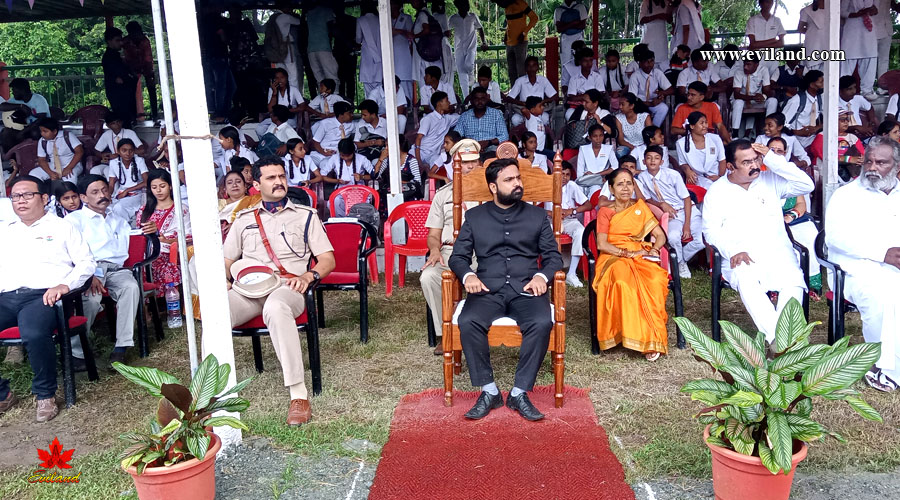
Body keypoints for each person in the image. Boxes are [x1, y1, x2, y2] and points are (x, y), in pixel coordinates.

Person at [224, 157, 336, 425]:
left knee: (275, 307)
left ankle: (298, 394)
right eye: (271, 178)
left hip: (288, 287)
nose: (279, 182)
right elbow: (226, 261)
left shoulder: (305, 216)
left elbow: (328, 259)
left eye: (282, 177)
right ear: (256, 184)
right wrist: (224, 280)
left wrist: (309, 275)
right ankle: (212, 393)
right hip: (248, 289)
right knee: (217, 310)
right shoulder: (243, 219)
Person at [449, 157, 563, 421]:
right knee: (468, 320)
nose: (517, 184)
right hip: (488, 288)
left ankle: (519, 392)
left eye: (518, 178)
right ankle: (489, 391)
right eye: (509, 180)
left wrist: (541, 276)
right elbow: (458, 257)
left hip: (527, 288)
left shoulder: (537, 216)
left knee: (541, 321)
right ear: (492, 187)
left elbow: (553, 257)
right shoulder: (475, 217)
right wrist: (467, 276)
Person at [0, 176, 96, 422]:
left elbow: (86, 262)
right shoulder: (6, 230)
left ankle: (45, 394)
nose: (20, 201)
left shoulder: (62, 227)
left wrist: (65, 285)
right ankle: (3, 394)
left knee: (33, 332)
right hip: (7, 295)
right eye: (15, 196)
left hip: (44, 295)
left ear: (44, 198)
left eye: (27, 195)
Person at [702, 140, 814, 343]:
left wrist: (772, 159)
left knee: (793, 282)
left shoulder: (770, 179)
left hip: (777, 251)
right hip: (740, 254)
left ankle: (779, 343)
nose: (754, 166)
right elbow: (710, 232)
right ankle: (780, 343)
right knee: (748, 281)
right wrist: (732, 250)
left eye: (757, 159)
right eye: (746, 162)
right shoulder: (717, 192)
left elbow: (807, 184)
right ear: (730, 166)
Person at [825, 136, 900, 391]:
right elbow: (835, 238)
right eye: (868, 161)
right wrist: (882, 253)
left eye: (881, 162)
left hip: (894, 267)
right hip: (853, 270)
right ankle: (883, 367)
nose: (872, 167)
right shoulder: (845, 195)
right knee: (882, 296)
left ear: (897, 167)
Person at [67, 175, 149, 367]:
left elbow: (134, 236)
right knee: (92, 300)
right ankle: (76, 352)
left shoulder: (117, 218)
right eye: (95, 192)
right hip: (91, 268)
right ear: (83, 198)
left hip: (117, 269)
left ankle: (121, 347)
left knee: (131, 287)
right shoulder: (74, 220)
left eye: (104, 190)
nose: (102, 195)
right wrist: (89, 273)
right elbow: (70, 252)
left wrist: (150, 231)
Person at [591, 167, 669, 360]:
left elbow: (660, 236)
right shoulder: (605, 211)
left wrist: (654, 249)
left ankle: (651, 339)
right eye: (620, 184)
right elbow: (602, 244)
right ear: (611, 189)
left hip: (641, 255)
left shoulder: (640, 208)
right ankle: (629, 335)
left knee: (655, 281)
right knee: (624, 284)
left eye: (629, 183)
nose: (625, 188)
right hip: (613, 257)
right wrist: (628, 253)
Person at [421, 139, 480, 356]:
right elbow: (433, 234)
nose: (470, 166)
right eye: (465, 162)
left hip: (482, 253)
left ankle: (484, 330)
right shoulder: (443, 195)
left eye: (474, 161)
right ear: (455, 163)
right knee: (429, 277)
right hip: (449, 251)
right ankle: (446, 333)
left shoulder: (491, 191)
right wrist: (434, 251)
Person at [637, 145, 703, 279]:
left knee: (701, 240)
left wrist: (687, 225)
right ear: (643, 161)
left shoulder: (673, 175)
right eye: (648, 158)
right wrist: (661, 204)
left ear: (662, 162)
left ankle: (681, 257)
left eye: (656, 158)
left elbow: (686, 198)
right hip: (671, 215)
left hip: (687, 210)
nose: (652, 161)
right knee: (673, 237)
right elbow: (647, 198)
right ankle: (680, 263)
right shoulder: (642, 177)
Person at [766, 137, 821, 295]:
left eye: (779, 151)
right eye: (772, 151)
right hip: (770, 223)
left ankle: (811, 283)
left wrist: (790, 216)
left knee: (810, 237)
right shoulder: (759, 176)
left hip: (794, 220)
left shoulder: (793, 176)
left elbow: (801, 204)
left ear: (785, 154)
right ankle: (774, 287)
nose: (775, 154)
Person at [136, 169, 191, 293]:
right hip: (147, 252)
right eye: (154, 187)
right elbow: (139, 235)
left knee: (159, 263)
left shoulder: (182, 209)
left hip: (170, 252)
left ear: (170, 186)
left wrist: (166, 240)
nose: (158, 191)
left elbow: (189, 236)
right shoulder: (144, 210)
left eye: (162, 186)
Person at [548, 161, 591, 287]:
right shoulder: (546, 184)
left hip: (568, 220)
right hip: (550, 220)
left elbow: (588, 205)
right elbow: (531, 206)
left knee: (580, 231)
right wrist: (551, 212)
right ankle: (550, 273)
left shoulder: (572, 185)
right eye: (561, 174)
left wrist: (571, 211)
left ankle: (571, 273)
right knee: (546, 235)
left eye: (567, 174)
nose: (564, 177)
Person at [320, 138, 374, 215]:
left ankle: (357, 224)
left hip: (359, 192)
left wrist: (362, 177)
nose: (345, 158)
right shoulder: (334, 158)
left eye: (348, 156)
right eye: (342, 155)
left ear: (353, 152)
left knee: (363, 206)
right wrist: (337, 181)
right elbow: (322, 175)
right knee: (333, 202)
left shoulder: (362, 159)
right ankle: (343, 222)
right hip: (341, 192)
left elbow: (374, 175)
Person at [416, 91, 461, 176]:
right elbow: (418, 139)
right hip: (421, 152)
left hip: (434, 154)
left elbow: (463, 116)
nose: (449, 103)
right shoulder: (428, 119)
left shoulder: (447, 119)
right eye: (447, 100)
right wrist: (418, 161)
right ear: (439, 103)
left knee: (439, 168)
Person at [676, 111, 725, 189]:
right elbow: (683, 163)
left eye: (706, 122)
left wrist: (720, 177)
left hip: (716, 176)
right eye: (701, 123)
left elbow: (722, 160)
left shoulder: (715, 139)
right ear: (692, 126)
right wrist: (687, 171)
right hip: (697, 179)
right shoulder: (681, 143)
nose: (705, 126)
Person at [841, 0, 880, 100]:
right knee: (847, 60)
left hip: (868, 31)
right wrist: (857, 14)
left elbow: (876, 10)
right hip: (852, 30)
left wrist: (871, 10)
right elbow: (841, 11)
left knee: (869, 58)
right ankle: (843, 89)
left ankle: (867, 91)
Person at [730, 58, 778, 138]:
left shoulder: (763, 70)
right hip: (742, 100)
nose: (745, 67)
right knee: (738, 102)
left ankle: (769, 129)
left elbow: (767, 90)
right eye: (744, 64)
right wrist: (752, 97)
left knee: (773, 101)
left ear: (756, 65)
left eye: (748, 64)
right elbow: (736, 94)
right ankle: (735, 134)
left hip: (756, 101)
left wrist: (763, 97)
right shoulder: (739, 72)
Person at [506, 56, 557, 127]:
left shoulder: (543, 80)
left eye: (534, 65)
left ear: (537, 68)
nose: (531, 68)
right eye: (529, 66)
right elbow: (509, 98)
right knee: (515, 119)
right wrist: (522, 103)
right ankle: (522, 137)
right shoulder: (520, 81)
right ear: (525, 68)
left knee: (545, 119)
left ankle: (542, 137)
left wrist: (543, 102)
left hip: (539, 110)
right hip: (523, 110)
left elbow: (554, 96)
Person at [454, 86, 509, 153]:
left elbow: (505, 136)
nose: (480, 102)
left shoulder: (496, 114)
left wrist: (488, 142)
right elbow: (456, 135)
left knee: (494, 154)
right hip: (469, 148)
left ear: (487, 99)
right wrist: (470, 142)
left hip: (491, 148)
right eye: (476, 99)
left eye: (482, 99)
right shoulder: (464, 116)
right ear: (472, 101)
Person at [449, 0, 487, 95]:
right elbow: (446, 30)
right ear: (458, 6)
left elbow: (480, 28)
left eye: (467, 5)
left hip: (471, 47)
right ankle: (467, 100)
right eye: (463, 4)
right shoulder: (453, 18)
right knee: (462, 75)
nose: (466, 7)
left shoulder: (472, 16)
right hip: (458, 48)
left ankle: (471, 75)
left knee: (469, 65)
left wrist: (484, 42)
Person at [0, 78, 49, 152]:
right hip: (21, 127)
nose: (13, 93)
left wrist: (24, 131)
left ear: (22, 90)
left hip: (38, 127)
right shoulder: (15, 100)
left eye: (14, 90)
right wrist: (21, 106)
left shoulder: (38, 99)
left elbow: (41, 119)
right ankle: (12, 158)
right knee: (6, 133)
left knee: (35, 133)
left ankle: (39, 155)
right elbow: (2, 106)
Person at [102, 27, 138, 127]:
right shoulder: (109, 57)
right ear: (109, 41)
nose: (120, 43)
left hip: (124, 94)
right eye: (117, 40)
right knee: (124, 121)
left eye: (120, 40)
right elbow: (119, 78)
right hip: (118, 95)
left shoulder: (116, 56)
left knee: (126, 121)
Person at [107, 138, 149, 223]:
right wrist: (108, 195)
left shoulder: (139, 161)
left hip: (138, 193)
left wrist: (127, 190)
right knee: (108, 207)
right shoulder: (113, 163)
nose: (128, 154)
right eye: (124, 150)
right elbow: (111, 184)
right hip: (121, 193)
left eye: (131, 151)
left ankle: (125, 227)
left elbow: (146, 182)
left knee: (118, 207)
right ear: (118, 151)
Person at [627, 51, 673, 127]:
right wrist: (649, 104)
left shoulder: (657, 73)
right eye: (646, 62)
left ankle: (653, 130)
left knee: (663, 108)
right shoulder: (635, 76)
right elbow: (632, 98)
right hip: (639, 103)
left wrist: (662, 93)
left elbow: (671, 89)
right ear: (640, 63)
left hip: (653, 102)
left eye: (651, 61)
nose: (649, 64)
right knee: (635, 108)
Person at [256, 68, 306, 138]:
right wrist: (274, 93)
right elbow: (270, 110)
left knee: (275, 130)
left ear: (286, 78)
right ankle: (267, 146)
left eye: (282, 77)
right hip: (275, 119)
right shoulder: (272, 90)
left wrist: (287, 111)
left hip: (289, 119)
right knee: (259, 129)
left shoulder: (293, 90)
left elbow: (303, 106)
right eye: (277, 78)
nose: (279, 80)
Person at [122, 21, 157, 120]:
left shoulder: (144, 41)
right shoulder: (127, 41)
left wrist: (149, 70)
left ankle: (154, 115)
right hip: (132, 69)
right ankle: (133, 116)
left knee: (152, 92)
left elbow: (148, 57)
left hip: (147, 68)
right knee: (131, 93)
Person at [781, 70, 823, 150]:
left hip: (812, 138)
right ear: (812, 85)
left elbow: (830, 120)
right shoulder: (797, 100)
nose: (823, 85)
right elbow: (781, 123)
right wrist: (798, 132)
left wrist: (816, 128)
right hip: (795, 139)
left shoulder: (821, 99)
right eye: (821, 82)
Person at [374, 135, 423, 202]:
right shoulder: (386, 160)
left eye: (388, 146)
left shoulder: (411, 160)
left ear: (397, 146)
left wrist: (397, 183)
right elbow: (377, 177)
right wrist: (381, 159)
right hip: (390, 196)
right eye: (385, 146)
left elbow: (417, 182)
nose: (386, 148)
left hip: (408, 197)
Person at [501, 0, 539, 84]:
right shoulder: (506, 8)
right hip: (509, 43)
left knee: (521, 71)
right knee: (511, 72)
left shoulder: (521, 4)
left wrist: (524, 32)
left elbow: (534, 18)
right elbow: (510, 24)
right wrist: (505, 35)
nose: (500, 4)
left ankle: (523, 94)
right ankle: (514, 94)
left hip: (520, 43)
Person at [35, 117, 83, 183]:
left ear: (54, 131)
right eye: (41, 131)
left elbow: (79, 152)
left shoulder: (68, 136)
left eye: (45, 131)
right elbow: (41, 160)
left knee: (70, 178)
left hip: (71, 165)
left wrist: (69, 168)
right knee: (34, 174)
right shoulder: (42, 141)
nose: (42, 134)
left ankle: (70, 193)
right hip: (52, 166)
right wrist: (50, 173)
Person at [305, 0, 340, 90]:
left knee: (319, 78)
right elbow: (332, 29)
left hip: (311, 50)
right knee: (332, 76)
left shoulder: (308, 13)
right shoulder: (327, 11)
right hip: (324, 48)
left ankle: (323, 99)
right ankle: (334, 100)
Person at [745, 0, 785, 77]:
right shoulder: (752, 20)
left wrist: (759, 44)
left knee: (772, 83)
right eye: (766, 2)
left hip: (773, 58)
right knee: (757, 84)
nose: (769, 5)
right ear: (761, 3)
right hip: (758, 58)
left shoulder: (777, 20)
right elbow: (753, 44)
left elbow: (781, 43)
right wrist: (773, 41)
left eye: (771, 2)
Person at [269, 1, 303, 90]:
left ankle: (281, 98)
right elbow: (299, 22)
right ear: (285, 7)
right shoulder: (285, 17)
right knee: (293, 76)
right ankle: (293, 100)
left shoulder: (271, 18)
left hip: (275, 50)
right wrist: (293, 14)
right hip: (286, 47)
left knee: (280, 76)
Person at [309, 101, 355, 166]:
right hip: (320, 153)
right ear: (341, 115)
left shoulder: (352, 125)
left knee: (326, 164)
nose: (352, 115)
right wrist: (324, 153)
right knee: (307, 163)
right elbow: (316, 142)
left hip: (337, 155)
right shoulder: (325, 124)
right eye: (349, 113)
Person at [578, 124, 619, 195]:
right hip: (586, 181)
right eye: (595, 136)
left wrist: (596, 175)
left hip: (603, 180)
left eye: (601, 135)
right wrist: (591, 178)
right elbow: (580, 173)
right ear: (589, 137)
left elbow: (615, 166)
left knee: (597, 188)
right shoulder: (583, 149)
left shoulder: (608, 148)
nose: (598, 139)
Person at [356, 2, 383, 96]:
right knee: (380, 85)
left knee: (368, 87)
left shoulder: (361, 20)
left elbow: (358, 39)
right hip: (380, 54)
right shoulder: (380, 19)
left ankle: (370, 107)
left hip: (367, 54)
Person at [332, 5, 358, 102]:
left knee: (342, 79)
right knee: (349, 79)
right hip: (349, 52)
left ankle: (343, 101)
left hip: (340, 53)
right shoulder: (352, 20)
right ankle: (349, 102)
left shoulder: (334, 22)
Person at [390, 1, 416, 100]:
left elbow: (411, 34)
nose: (392, 7)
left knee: (405, 81)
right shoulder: (387, 19)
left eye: (394, 4)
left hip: (404, 54)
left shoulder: (406, 18)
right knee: (394, 81)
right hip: (392, 55)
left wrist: (398, 31)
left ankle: (408, 106)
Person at [615, 93, 652, 158]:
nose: (620, 107)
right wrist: (633, 148)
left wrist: (640, 149)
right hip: (627, 146)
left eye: (622, 104)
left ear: (631, 106)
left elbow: (650, 136)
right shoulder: (619, 118)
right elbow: (620, 140)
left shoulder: (644, 116)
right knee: (619, 153)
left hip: (643, 146)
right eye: (619, 104)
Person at [554, 0, 588, 69]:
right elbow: (559, 29)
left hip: (578, 38)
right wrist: (574, 23)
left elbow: (582, 25)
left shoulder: (580, 7)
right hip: (565, 39)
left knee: (580, 62)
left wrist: (565, 25)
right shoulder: (558, 10)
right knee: (566, 64)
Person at [639, 0, 669, 70]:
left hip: (662, 40)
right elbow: (641, 20)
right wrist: (657, 16)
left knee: (663, 65)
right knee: (647, 63)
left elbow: (670, 20)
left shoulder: (666, 3)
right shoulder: (646, 2)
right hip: (649, 39)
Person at [798, 0, 826, 73]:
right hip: (812, 44)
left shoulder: (831, 9)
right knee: (812, 71)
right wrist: (813, 32)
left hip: (827, 44)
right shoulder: (806, 10)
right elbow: (800, 28)